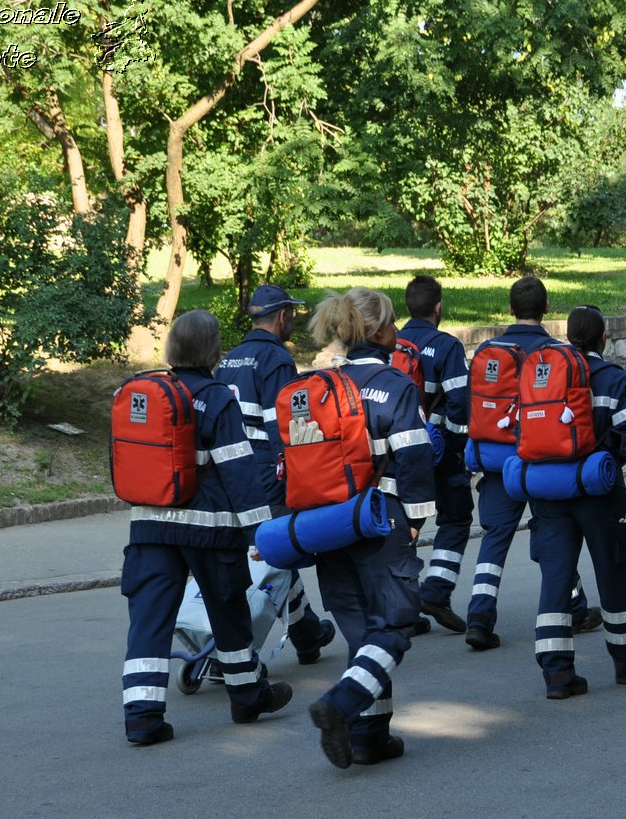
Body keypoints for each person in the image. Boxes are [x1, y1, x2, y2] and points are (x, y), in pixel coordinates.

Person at [267, 288, 437, 769]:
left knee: (362, 633)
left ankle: (369, 738)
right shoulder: (395, 384)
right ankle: (340, 707)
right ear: (379, 330)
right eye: (392, 324)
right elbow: (415, 457)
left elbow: (294, 463)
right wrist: (417, 521)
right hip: (380, 521)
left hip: (327, 525)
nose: (397, 332)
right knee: (396, 624)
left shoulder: (313, 388)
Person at [119, 310, 292, 746]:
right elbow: (240, 472)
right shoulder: (216, 397)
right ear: (213, 350)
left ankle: (141, 717)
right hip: (208, 529)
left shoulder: (146, 390)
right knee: (228, 610)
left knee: (150, 619)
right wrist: (260, 534)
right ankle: (247, 695)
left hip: (149, 526)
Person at [528, 306, 626, 697]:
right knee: (612, 572)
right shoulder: (613, 379)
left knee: (556, 579)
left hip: (549, 494)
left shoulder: (544, 378)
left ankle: (557, 675)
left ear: (569, 335)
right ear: (604, 337)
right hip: (599, 494)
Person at [462, 276, 595, 649]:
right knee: (552, 534)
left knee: (494, 540)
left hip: (493, 459)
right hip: (539, 462)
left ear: (509, 310)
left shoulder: (487, 350)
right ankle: (576, 607)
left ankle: (479, 617)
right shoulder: (555, 353)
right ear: (547, 309)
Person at [216, 284, 337, 664]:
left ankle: (307, 634)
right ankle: (238, 649)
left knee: (271, 554)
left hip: (231, 470)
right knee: (278, 551)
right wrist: (298, 471)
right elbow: (284, 423)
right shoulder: (277, 360)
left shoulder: (230, 359)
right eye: (292, 315)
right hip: (266, 471)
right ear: (283, 316)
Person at [397, 276, 473, 633]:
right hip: (437, 451)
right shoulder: (446, 346)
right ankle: (437, 590)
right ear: (438, 307)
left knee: (405, 524)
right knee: (456, 518)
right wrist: (456, 446)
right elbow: (460, 402)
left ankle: (404, 605)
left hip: (396, 453)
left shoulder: (389, 342)